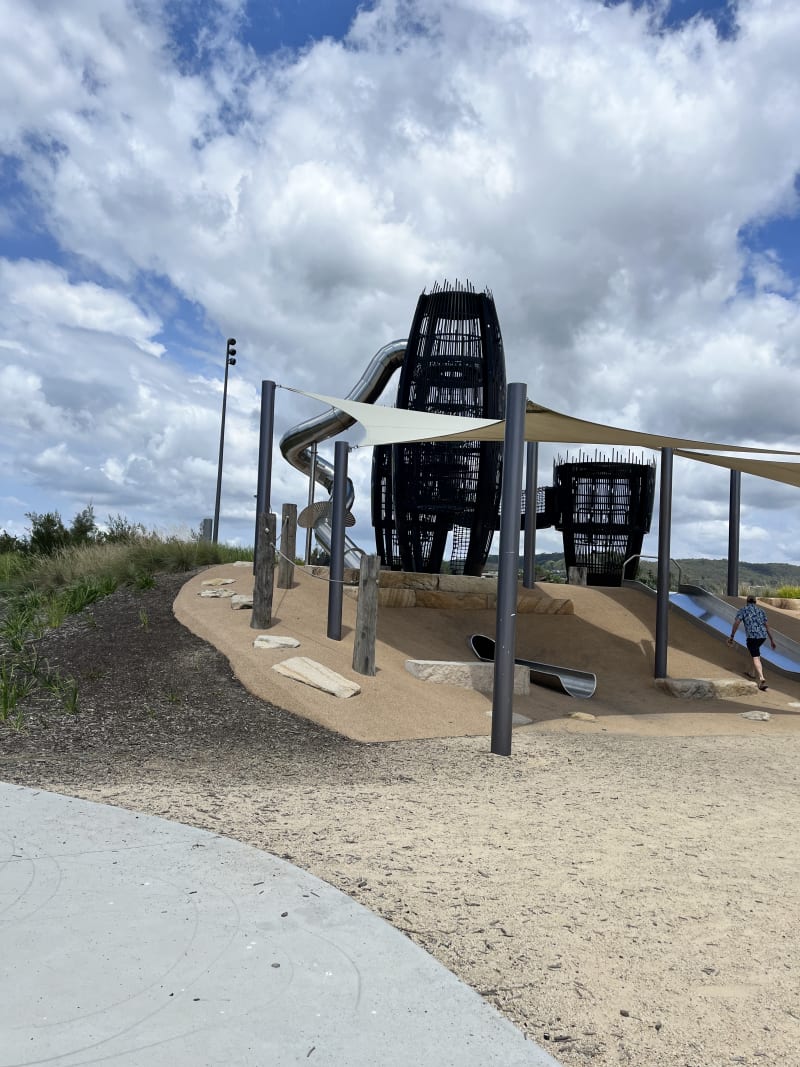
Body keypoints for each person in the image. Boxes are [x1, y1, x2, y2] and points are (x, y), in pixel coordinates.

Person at [727, 595, 776, 691]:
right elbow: (767, 626)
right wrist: (771, 640)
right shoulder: (761, 611)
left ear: (747, 601)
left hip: (752, 637)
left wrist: (732, 636)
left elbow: (736, 623)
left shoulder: (743, 610)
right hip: (762, 636)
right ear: (755, 602)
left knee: (756, 657)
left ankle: (761, 678)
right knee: (755, 653)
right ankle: (751, 672)